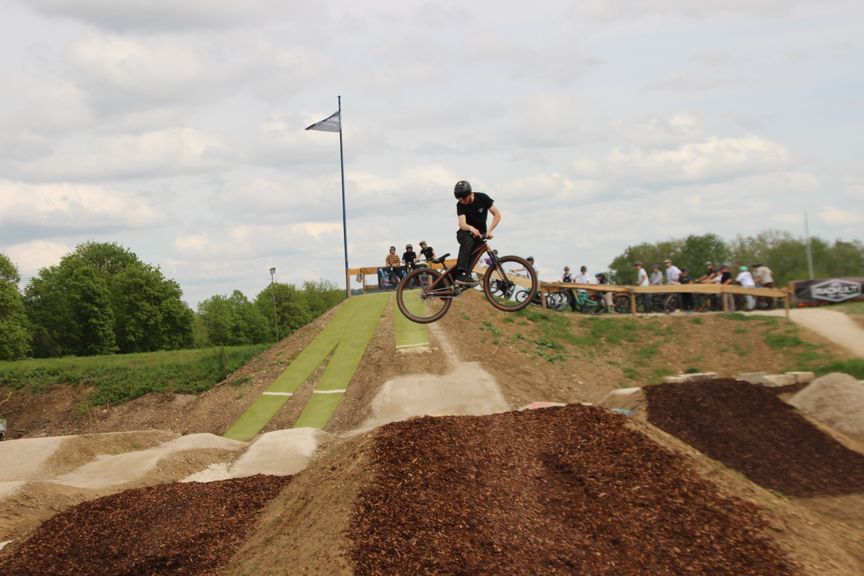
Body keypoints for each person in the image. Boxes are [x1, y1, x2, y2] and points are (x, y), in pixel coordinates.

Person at [452, 180, 501, 285]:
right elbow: (462, 224)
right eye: (459, 199)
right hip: (464, 233)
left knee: (475, 256)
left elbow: (497, 215)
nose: (462, 201)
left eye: (464, 198)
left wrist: (489, 230)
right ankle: (461, 274)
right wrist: (470, 228)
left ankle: (463, 278)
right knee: (468, 241)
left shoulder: (482, 198)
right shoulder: (460, 205)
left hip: (480, 235)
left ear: (470, 193)